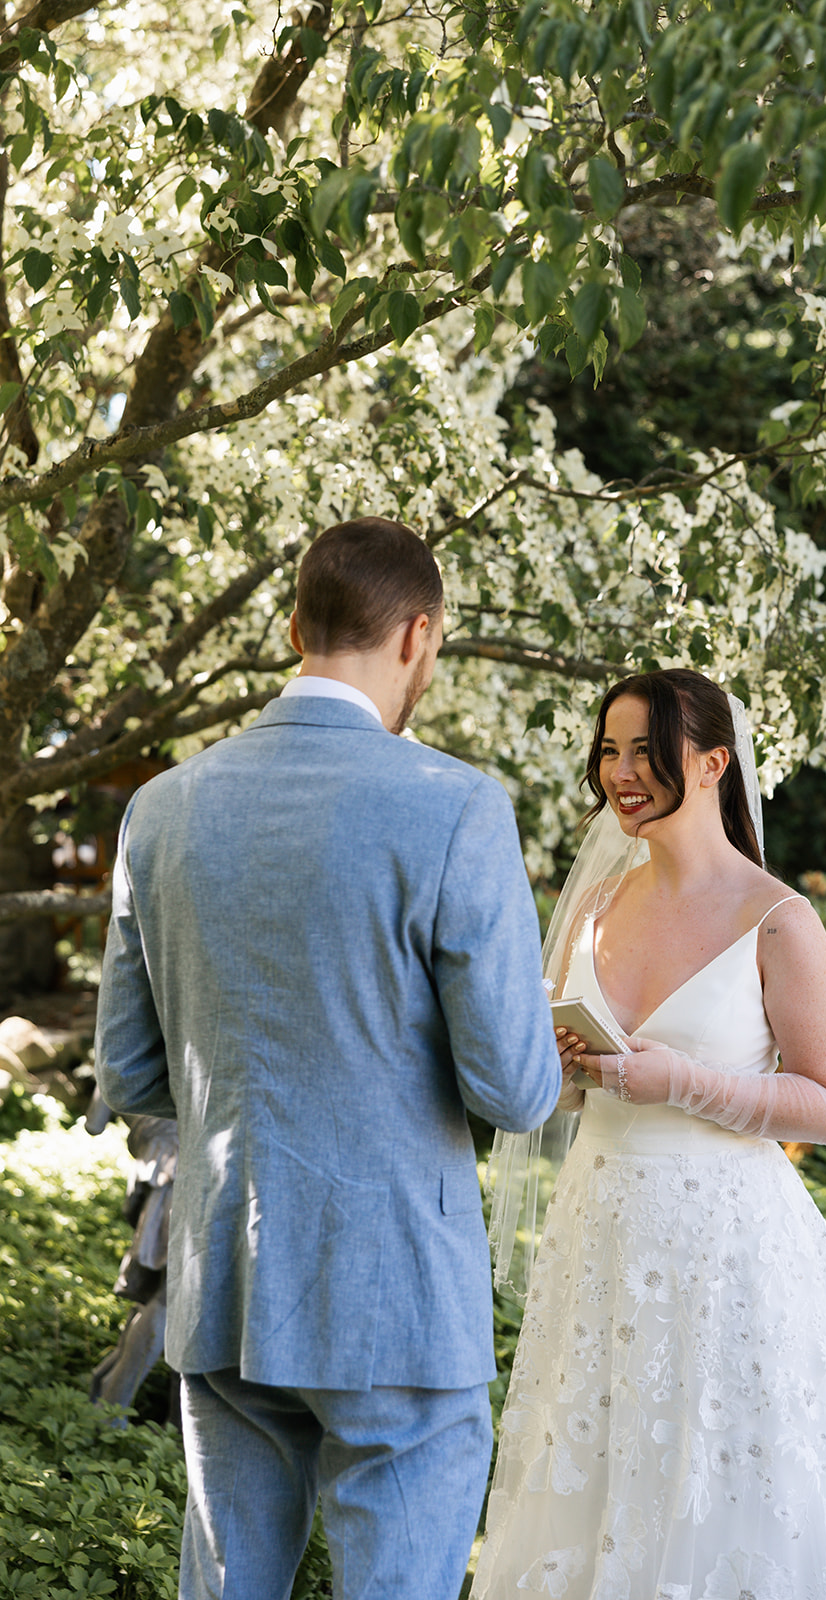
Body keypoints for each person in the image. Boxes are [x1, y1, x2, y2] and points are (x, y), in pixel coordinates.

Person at [94, 516, 562, 1600]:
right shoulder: (454, 808)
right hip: (397, 1290)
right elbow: (514, 1087)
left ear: (294, 626)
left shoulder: (160, 810)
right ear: (417, 637)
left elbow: (129, 1068)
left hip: (227, 1282)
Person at [474, 669, 826, 1599]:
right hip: (598, 1237)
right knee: (595, 1480)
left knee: (726, 1485)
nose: (621, 772)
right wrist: (562, 1069)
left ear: (714, 761)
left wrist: (675, 1079)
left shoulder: (777, 920)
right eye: (609, 749)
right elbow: (559, 1094)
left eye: (645, 749)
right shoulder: (593, 911)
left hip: (727, 1253)